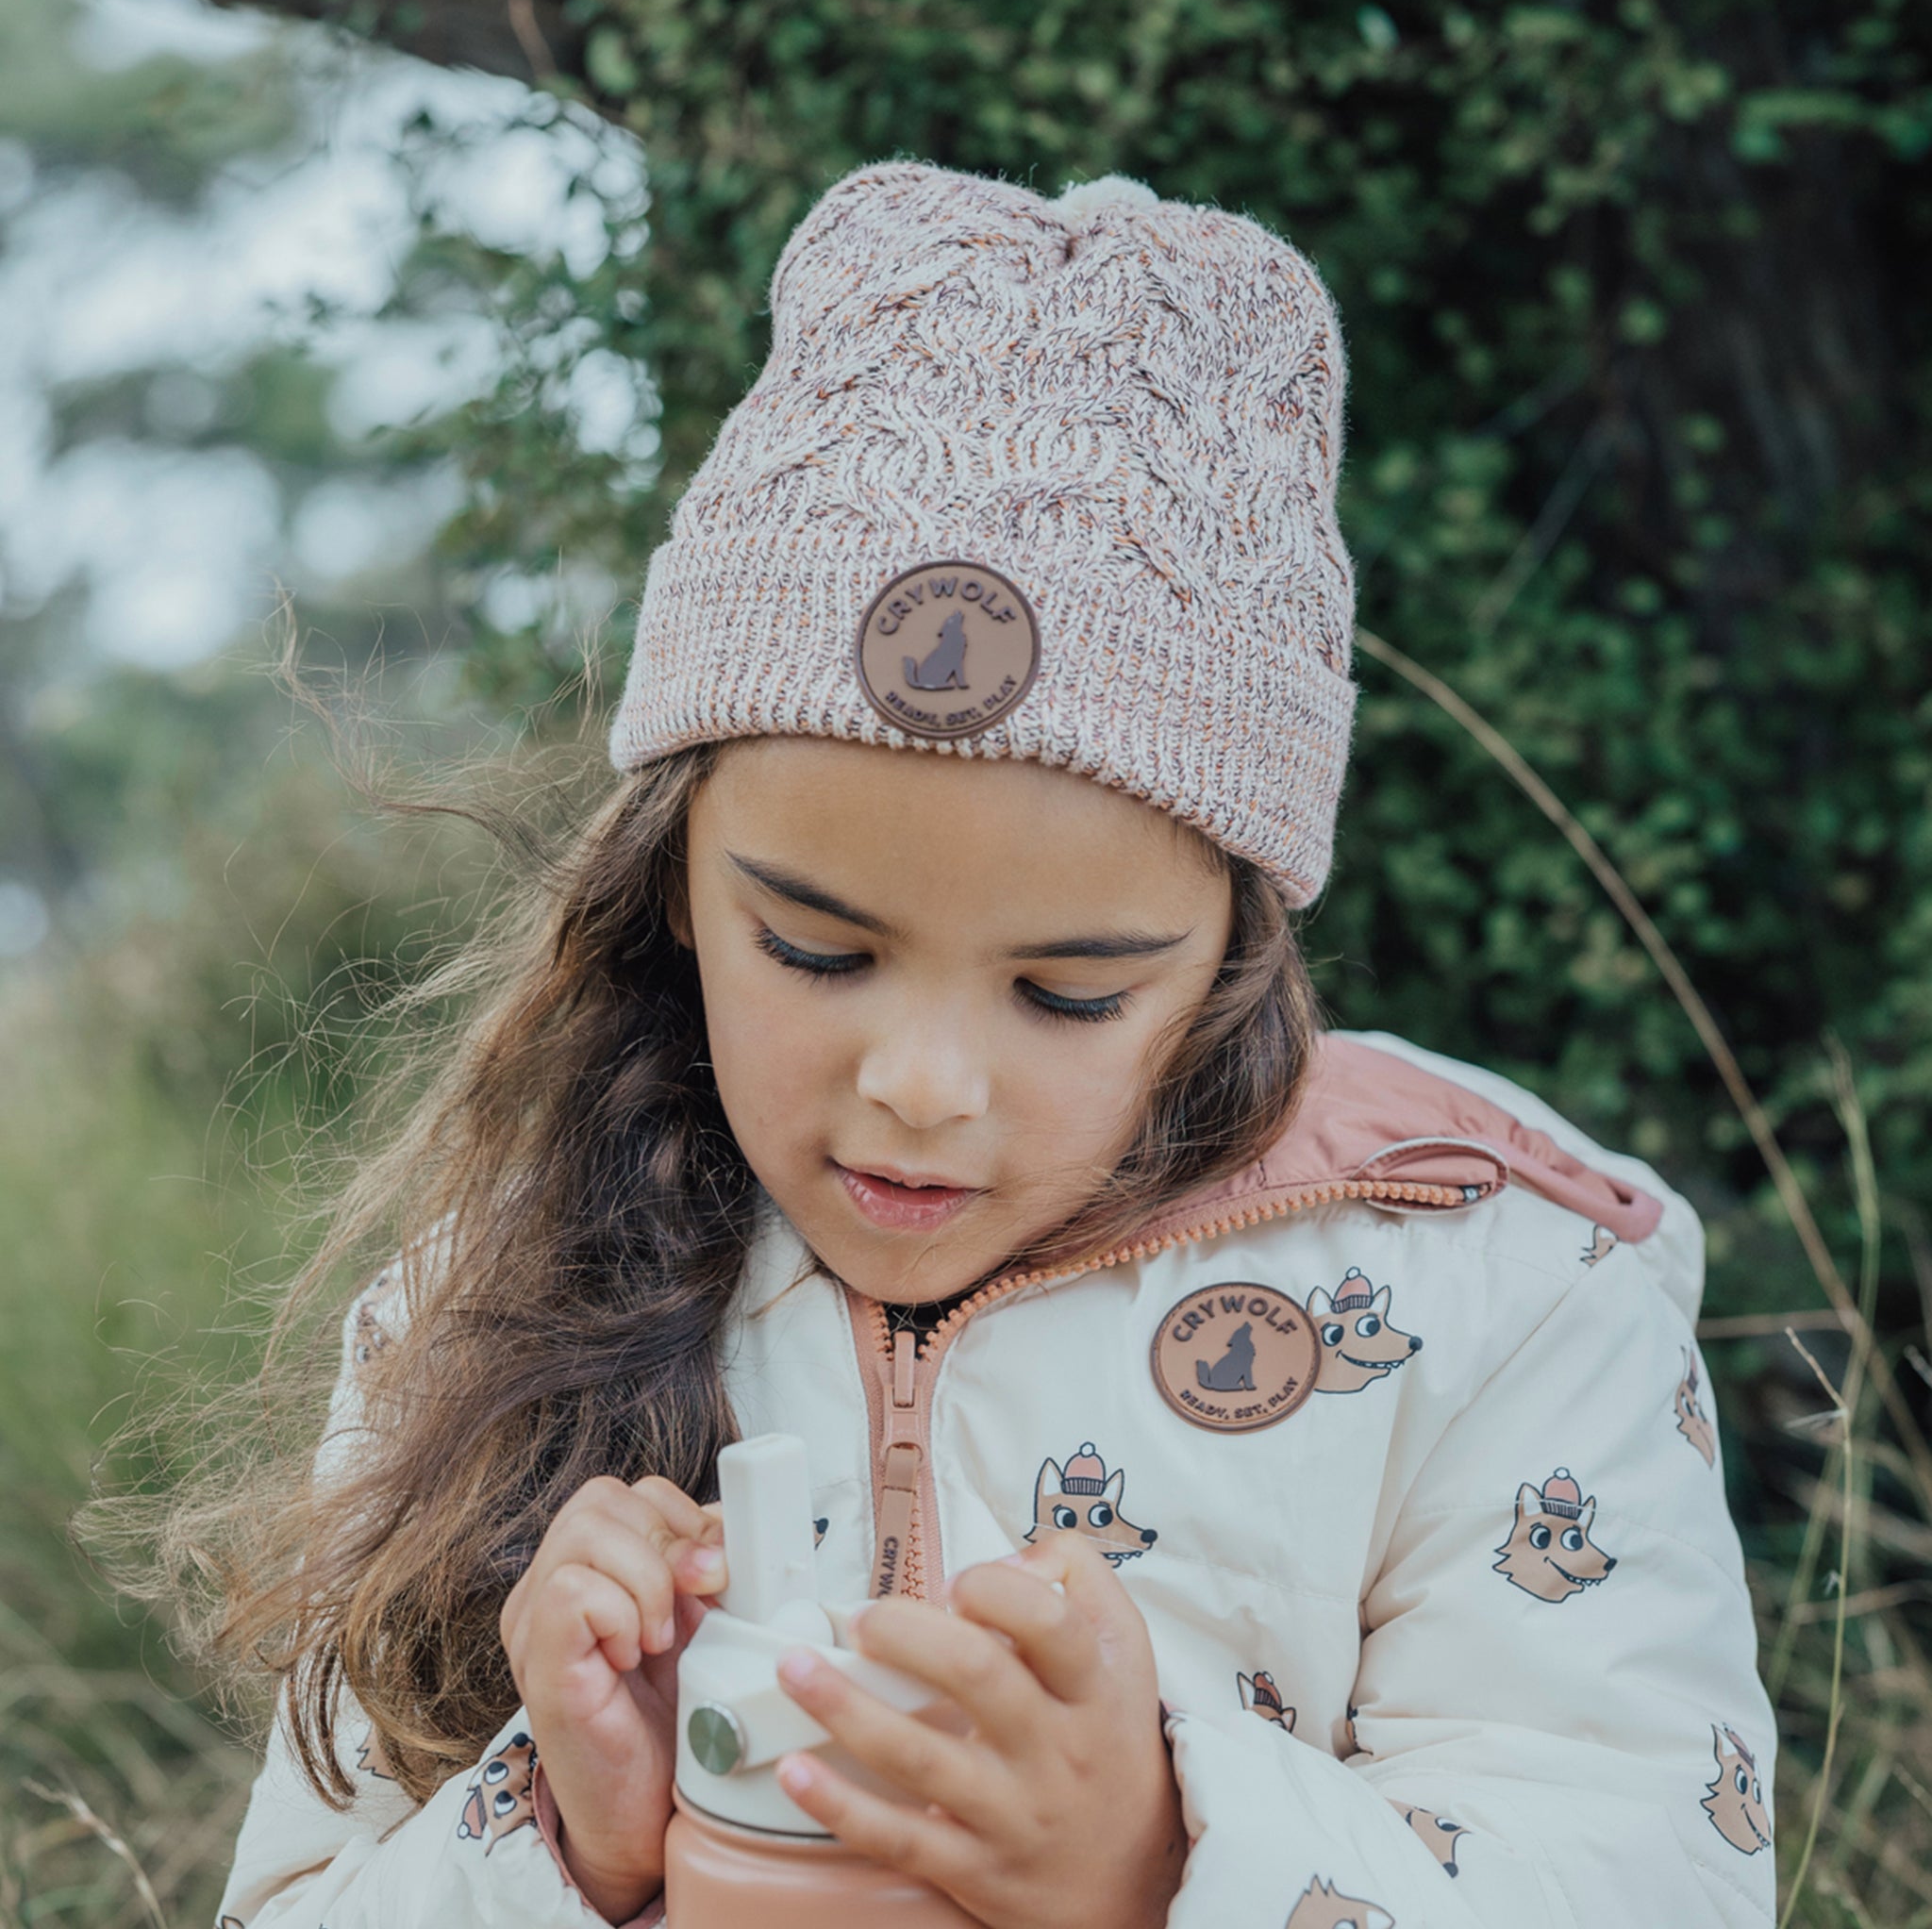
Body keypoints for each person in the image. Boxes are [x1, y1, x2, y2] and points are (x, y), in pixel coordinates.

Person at [195, 161, 1774, 1927]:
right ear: (671, 886)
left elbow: (1659, 1876)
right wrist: (570, 1843)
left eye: (1071, 991)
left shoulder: (1498, 1294)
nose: (923, 1083)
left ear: (1237, 944)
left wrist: (1165, 1858)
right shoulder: (474, 1311)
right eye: (812, 947)